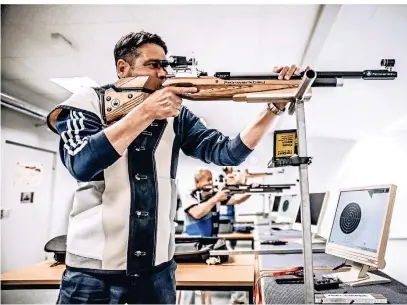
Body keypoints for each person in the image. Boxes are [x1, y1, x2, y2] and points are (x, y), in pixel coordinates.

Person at [46, 30, 306, 304]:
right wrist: (146, 112)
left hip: (156, 271)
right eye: (153, 64)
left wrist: (274, 107)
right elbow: (80, 163)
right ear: (123, 68)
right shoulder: (86, 103)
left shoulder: (177, 115)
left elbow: (228, 153)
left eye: (165, 65)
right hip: (92, 272)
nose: (163, 73)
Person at [181, 168, 253, 304]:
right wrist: (215, 198)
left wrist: (250, 190)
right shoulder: (189, 195)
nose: (211, 182)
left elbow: (236, 200)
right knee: (187, 279)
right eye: (208, 179)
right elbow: (197, 213)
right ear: (197, 182)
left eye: (212, 179)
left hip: (213, 243)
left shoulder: (213, 194)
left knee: (237, 265)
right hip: (192, 245)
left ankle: (237, 301)